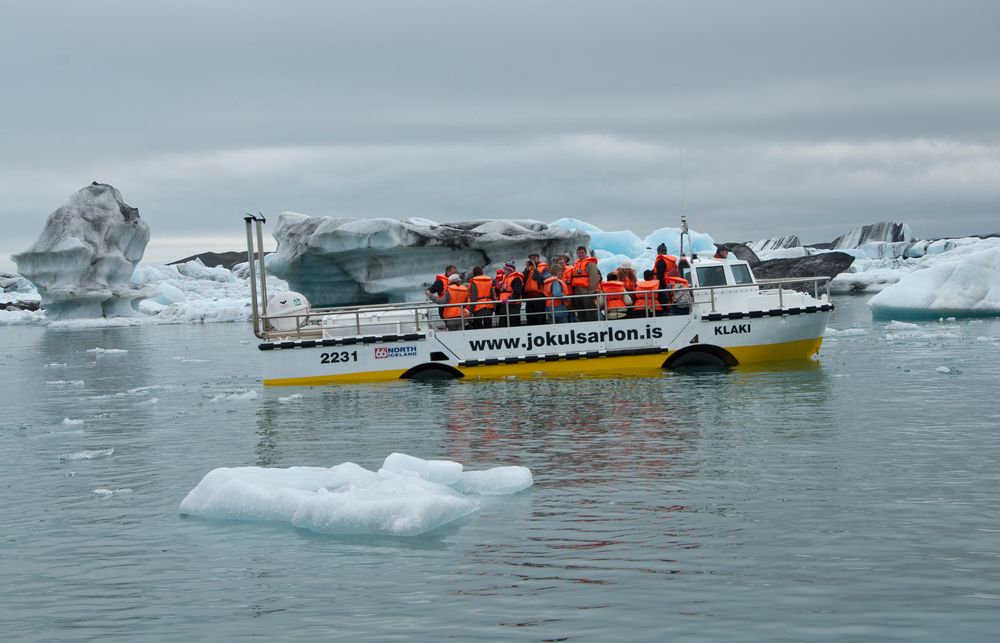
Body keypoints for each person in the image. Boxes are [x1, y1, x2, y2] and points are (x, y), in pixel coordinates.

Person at [569, 245, 600, 322]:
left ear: (586, 253)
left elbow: (594, 278)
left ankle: (592, 327)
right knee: (580, 312)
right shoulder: (576, 264)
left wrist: (591, 292)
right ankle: (583, 327)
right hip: (578, 292)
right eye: (579, 253)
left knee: (590, 312)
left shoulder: (590, 263)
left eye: (582, 253)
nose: (580, 254)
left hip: (587, 292)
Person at [495, 261, 524, 327]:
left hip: (512, 307)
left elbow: (517, 292)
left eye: (505, 269)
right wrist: (497, 288)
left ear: (510, 270)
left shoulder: (516, 278)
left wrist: (509, 300)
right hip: (503, 306)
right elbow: (500, 292)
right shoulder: (504, 278)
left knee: (513, 324)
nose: (504, 270)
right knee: (503, 325)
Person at [653, 243, 678, 314]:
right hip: (672, 282)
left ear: (659, 252)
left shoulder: (661, 260)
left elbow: (660, 274)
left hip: (664, 283)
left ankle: (666, 311)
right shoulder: (672, 260)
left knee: (664, 298)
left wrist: (658, 285)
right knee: (671, 297)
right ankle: (672, 310)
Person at [522, 257, 546, 325]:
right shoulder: (528, 270)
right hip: (529, 297)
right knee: (530, 317)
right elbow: (523, 280)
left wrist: (535, 269)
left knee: (540, 317)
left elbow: (541, 281)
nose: (532, 260)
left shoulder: (544, 268)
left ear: (538, 258)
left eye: (534, 258)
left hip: (539, 296)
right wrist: (526, 270)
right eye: (531, 259)